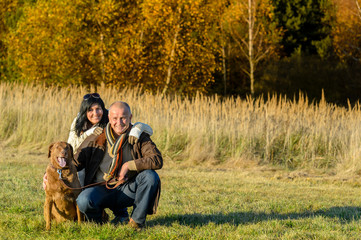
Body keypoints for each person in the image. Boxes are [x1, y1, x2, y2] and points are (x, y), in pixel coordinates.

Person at [75, 101, 163, 230]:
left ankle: (136, 222)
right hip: (102, 188)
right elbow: (75, 162)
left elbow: (157, 160)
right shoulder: (96, 136)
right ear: (109, 118)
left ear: (130, 118)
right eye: (115, 118)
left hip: (128, 189)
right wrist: (51, 173)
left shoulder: (139, 136)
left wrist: (129, 165)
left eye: (123, 118)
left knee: (150, 176)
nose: (119, 122)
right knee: (83, 200)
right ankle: (99, 221)